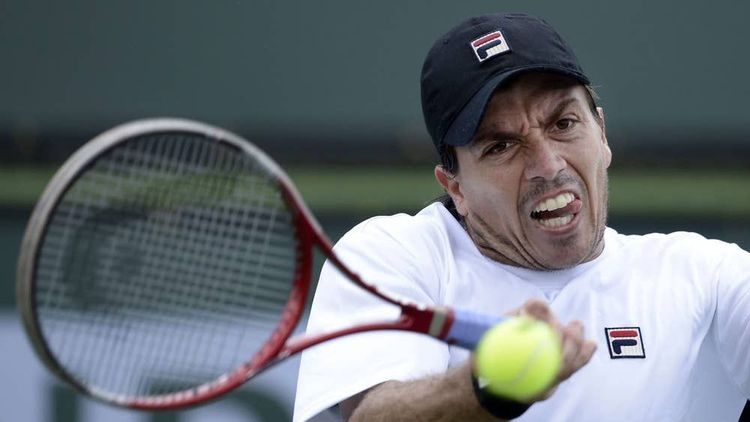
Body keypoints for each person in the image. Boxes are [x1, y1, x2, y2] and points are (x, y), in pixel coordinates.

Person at [294, 12, 750, 422]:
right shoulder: (393, 256)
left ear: (602, 133)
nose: (548, 166)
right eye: (501, 146)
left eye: (564, 124)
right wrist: (488, 388)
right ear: (455, 187)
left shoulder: (707, 276)